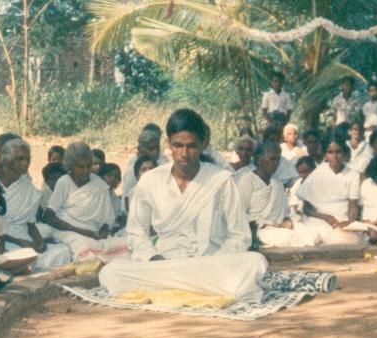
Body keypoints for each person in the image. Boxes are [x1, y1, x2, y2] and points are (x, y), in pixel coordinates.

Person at [99, 108, 267, 302]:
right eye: (178, 145)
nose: (184, 154)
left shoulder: (221, 180)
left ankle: (175, 288)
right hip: (164, 266)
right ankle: (199, 288)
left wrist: (213, 262)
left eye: (191, 146)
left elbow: (239, 236)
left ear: (203, 144)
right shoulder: (150, 181)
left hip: (210, 265)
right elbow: (136, 234)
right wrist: (154, 259)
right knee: (110, 272)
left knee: (256, 262)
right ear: (168, 144)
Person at [0, 138, 72, 271]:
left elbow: (30, 225)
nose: (25, 163)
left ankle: (28, 267)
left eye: (27, 159)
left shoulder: (29, 188)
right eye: (20, 159)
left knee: (63, 251)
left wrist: (39, 243)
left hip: (23, 236)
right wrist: (19, 242)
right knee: (19, 256)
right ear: (7, 159)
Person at [44, 142, 128, 262]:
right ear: (71, 167)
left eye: (89, 166)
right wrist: (81, 231)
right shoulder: (64, 182)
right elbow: (49, 217)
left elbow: (107, 219)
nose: (86, 170)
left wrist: (103, 232)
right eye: (81, 167)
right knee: (88, 250)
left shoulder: (99, 184)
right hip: (68, 232)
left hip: (93, 234)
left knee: (124, 245)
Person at [296, 141, 360, 244]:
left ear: (344, 153)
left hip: (341, 220)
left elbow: (353, 205)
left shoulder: (353, 175)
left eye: (338, 152)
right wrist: (325, 217)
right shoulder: (318, 172)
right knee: (310, 237)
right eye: (330, 152)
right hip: (318, 220)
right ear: (325, 155)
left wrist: (350, 222)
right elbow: (306, 208)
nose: (335, 156)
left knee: (345, 239)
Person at [122, 128, 168, 198]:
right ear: (141, 150)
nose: (156, 152)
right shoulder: (132, 172)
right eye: (151, 149)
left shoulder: (163, 161)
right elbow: (127, 198)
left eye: (157, 148)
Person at [99, 162, 126, 230]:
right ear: (101, 177)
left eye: (116, 176)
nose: (113, 179)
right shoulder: (93, 194)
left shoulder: (116, 200)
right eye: (109, 175)